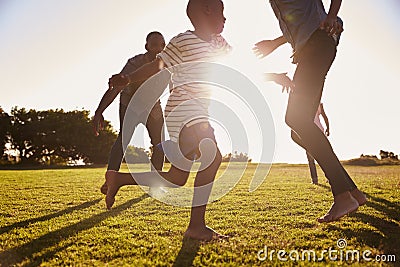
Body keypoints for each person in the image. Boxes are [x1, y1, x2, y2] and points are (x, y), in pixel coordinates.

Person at [105, 0, 231, 241]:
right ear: (206, 11)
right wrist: (128, 78)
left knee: (176, 178)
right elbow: (158, 64)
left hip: (196, 110)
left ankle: (120, 179)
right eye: (221, 12)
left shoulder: (218, 43)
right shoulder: (183, 40)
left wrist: (270, 75)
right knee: (212, 156)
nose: (225, 18)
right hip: (185, 107)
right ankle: (196, 228)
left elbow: (237, 62)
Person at [253, 0, 367, 223]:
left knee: (295, 118)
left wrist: (333, 15)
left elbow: (313, 20)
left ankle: (343, 196)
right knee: (298, 131)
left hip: (318, 44)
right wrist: (275, 43)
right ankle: (352, 191)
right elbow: (301, 21)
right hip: (312, 47)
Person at [93, 32, 166, 195]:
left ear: (164, 47)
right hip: (130, 105)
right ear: (146, 46)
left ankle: (155, 183)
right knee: (123, 140)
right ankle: (110, 181)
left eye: (161, 45)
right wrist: (99, 111)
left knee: (160, 144)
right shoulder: (134, 63)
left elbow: (176, 88)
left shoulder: (169, 64)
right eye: (153, 44)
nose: (157, 48)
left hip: (153, 107)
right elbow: (117, 86)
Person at [307, 103, 330, 185]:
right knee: (323, 157)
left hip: (313, 132)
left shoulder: (318, 104)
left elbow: (324, 116)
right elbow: (324, 116)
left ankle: (315, 180)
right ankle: (317, 179)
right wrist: (328, 128)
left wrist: (328, 128)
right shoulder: (318, 103)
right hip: (314, 132)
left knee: (312, 158)